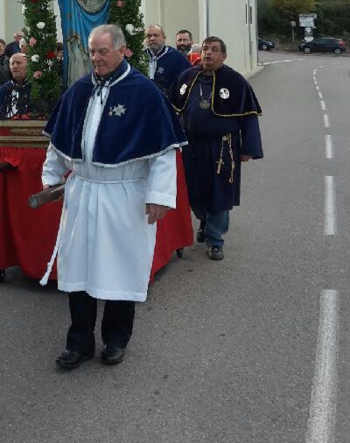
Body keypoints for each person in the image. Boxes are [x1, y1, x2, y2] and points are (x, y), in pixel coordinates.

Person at [41, 24, 186, 370]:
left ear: (123, 51)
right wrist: (50, 177)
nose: (96, 58)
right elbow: (59, 142)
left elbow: (163, 153)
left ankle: (116, 340)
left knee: (121, 267)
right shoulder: (79, 90)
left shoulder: (144, 93)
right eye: (92, 51)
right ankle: (79, 343)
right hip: (83, 191)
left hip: (125, 194)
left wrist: (159, 195)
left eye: (103, 51)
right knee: (79, 267)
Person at [170, 36, 263, 261]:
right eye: (205, 49)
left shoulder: (236, 82)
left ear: (223, 56)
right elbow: (173, 109)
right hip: (190, 146)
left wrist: (249, 148)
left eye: (214, 50)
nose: (208, 53)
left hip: (222, 147)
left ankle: (215, 239)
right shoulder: (187, 76)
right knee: (193, 191)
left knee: (219, 193)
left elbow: (249, 116)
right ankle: (204, 219)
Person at [144, 24, 190, 96]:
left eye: (156, 35)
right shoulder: (141, 57)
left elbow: (188, 79)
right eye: (148, 36)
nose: (152, 38)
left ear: (164, 38)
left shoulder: (177, 57)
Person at [0, 52, 31, 122]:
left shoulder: (37, 89)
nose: (15, 66)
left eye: (18, 63)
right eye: (12, 63)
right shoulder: (3, 90)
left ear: (28, 66)